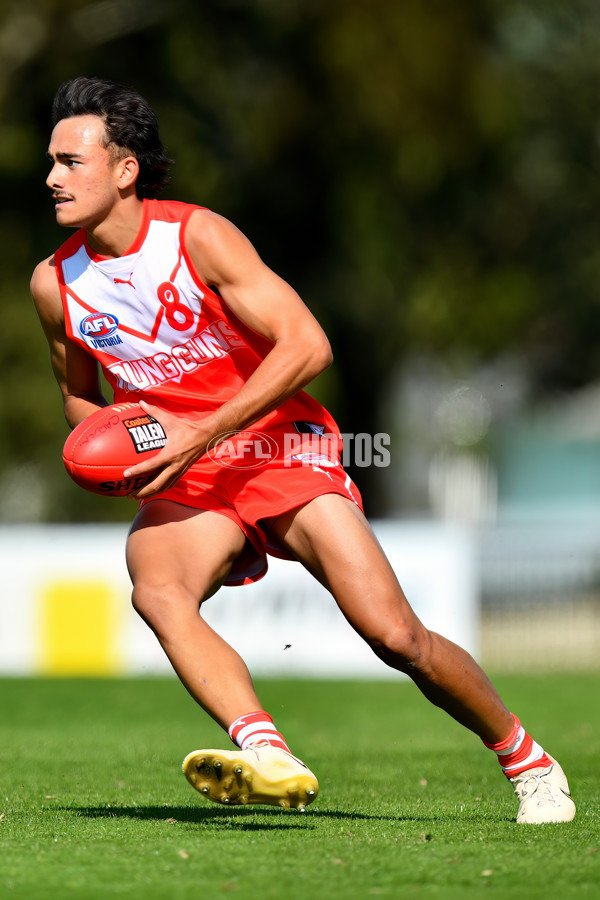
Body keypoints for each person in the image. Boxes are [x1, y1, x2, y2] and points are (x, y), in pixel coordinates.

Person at [31, 76, 575, 824]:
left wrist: (203, 429)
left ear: (125, 170)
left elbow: (307, 344)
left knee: (395, 634)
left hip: (280, 447)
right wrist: (121, 447)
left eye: (71, 161)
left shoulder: (197, 238)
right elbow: (79, 397)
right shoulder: (55, 284)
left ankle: (528, 760)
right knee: (157, 590)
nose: (52, 177)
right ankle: (265, 751)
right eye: (51, 162)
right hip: (190, 472)